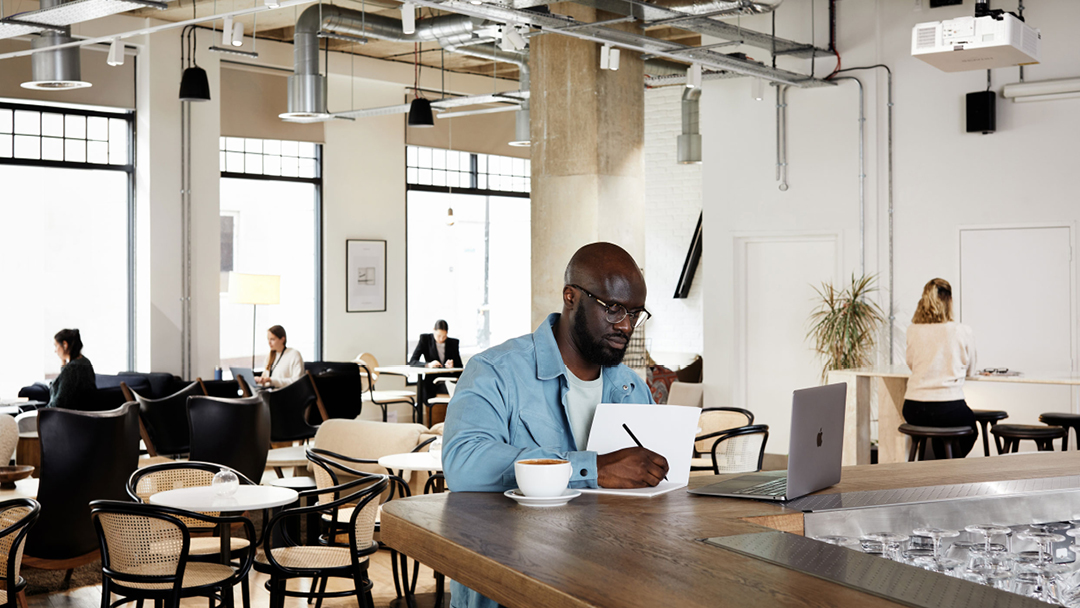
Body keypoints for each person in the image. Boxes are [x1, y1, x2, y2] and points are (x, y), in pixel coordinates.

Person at [443, 242, 667, 608]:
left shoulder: (632, 387)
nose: (625, 325)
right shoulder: (496, 371)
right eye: (613, 309)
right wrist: (592, 467)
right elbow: (464, 464)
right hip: (511, 591)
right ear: (570, 296)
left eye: (634, 313)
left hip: (610, 586)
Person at [903, 278, 978, 458]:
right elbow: (971, 369)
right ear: (949, 301)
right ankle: (947, 467)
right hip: (949, 408)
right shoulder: (961, 330)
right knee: (971, 429)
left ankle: (936, 466)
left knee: (938, 430)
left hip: (913, 409)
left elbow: (911, 363)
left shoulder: (913, 329)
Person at [408, 320, 462, 396]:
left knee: (456, 389)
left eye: (444, 336)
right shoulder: (425, 340)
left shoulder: (453, 343)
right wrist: (428, 365)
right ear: (434, 330)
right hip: (432, 382)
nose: (441, 339)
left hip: (449, 380)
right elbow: (413, 361)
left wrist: (452, 367)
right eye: (439, 336)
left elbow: (460, 367)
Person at [48, 328, 96, 409]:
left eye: (56, 346)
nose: (55, 351)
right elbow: (66, 382)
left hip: (67, 417)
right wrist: (63, 362)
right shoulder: (85, 362)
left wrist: (42, 411)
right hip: (84, 414)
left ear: (65, 345)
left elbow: (59, 402)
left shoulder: (72, 369)